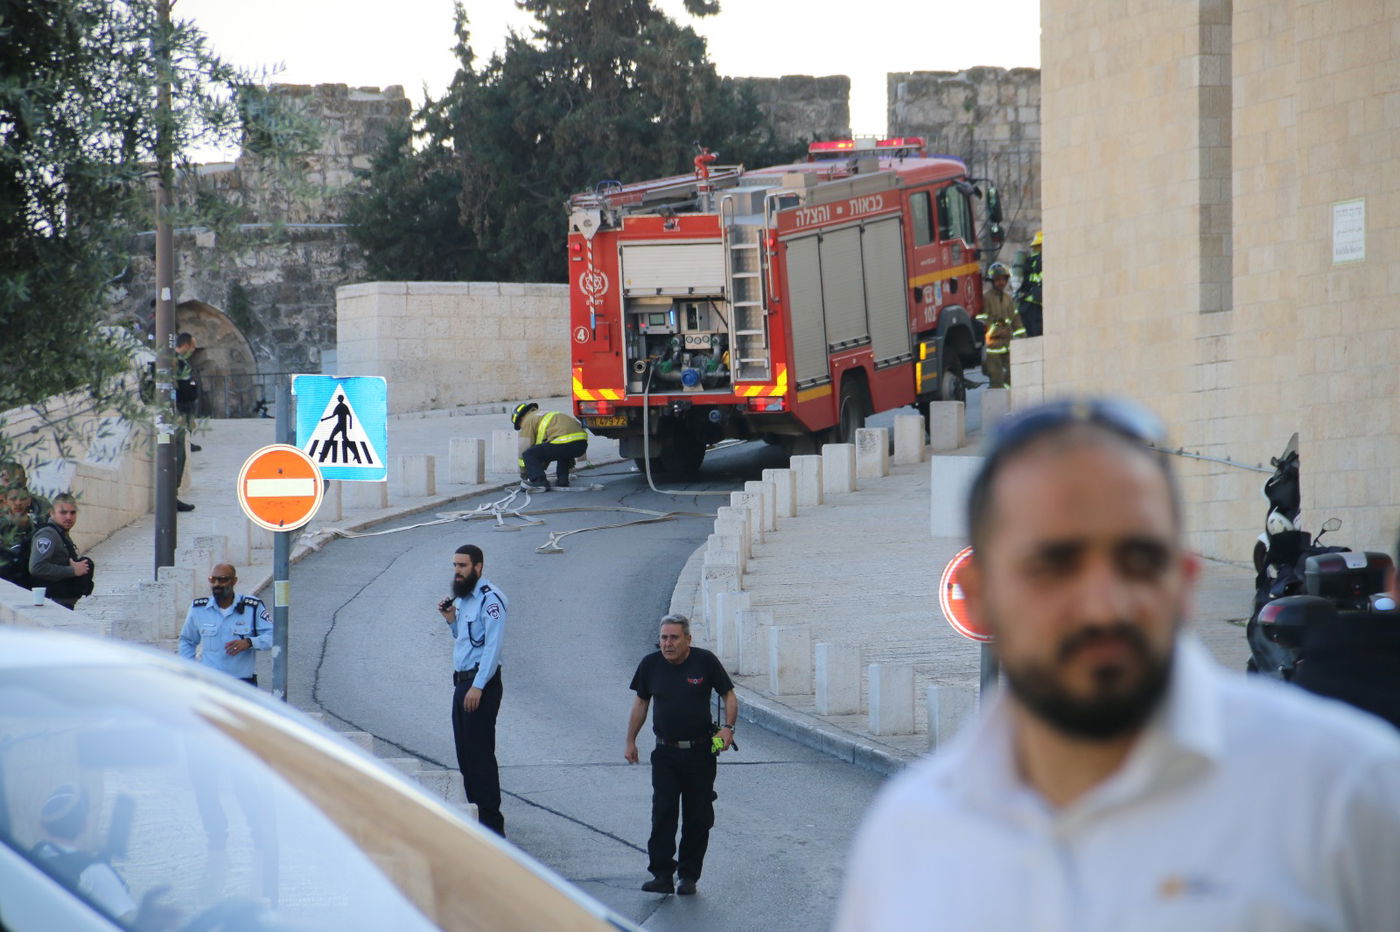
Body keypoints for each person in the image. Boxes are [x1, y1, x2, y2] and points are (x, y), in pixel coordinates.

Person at [835, 398, 1400, 931]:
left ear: (1184, 581)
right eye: (1055, 564)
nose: (1104, 604)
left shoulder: (1347, 792)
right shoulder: (911, 835)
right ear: (977, 594)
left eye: (1138, 560)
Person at [625, 614, 736, 896]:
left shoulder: (705, 661)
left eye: (674, 637)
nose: (668, 643)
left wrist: (728, 729)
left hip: (701, 751)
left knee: (697, 816)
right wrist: (631, 741)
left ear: (688, 639)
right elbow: (641, 703)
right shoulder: (650, 665)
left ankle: (688, 876)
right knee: (663, 813)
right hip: (665, 752)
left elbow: (729, 694)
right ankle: (662, 874)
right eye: (664, 638)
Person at [439, 544, 508, 836]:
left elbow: (492, 648)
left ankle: (492, 827)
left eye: (463, 566)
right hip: (463, 682)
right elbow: (466, 639)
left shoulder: (491, 600)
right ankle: (475, 817)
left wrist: (478, 687)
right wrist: (451, 619)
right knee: (465, 754)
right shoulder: (465, 599)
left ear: (478, 567)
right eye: (455, 565)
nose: (457, 571)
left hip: (480, 685)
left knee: (480, 756)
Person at [177, 564, 272, 686]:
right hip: (209, 681)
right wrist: (191, 670)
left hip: (242, 683)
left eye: (222, 580)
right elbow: (187, 640)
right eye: (213, 579)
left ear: (234, 581)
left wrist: (249, 642)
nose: (217, 584)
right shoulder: (199, 609)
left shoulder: (252, 607)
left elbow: (273, 637)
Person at [28, 493, 94, 609]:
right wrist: (72, 571)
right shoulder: (47, 535)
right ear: (52, 513)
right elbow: (37, 567)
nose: (69, 517)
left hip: (61, 603)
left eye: (72, 513)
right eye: (63, 513)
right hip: (51, 604)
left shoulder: (60, 533)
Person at [512, 402, 588, 491]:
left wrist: (525, 474)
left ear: (520, 419)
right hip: (581, 445)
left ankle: (540, 482)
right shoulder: (545, 413)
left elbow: (525, 448)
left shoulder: (528, 420)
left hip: (564, 443)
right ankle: (562, 479)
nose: (522, 427)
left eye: (520, 425)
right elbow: (545, 449)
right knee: (562, 450)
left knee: (528, 454)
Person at [977, 262, 1027, 389]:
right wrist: (998, 331)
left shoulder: (1008, 299)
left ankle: (1010, 403)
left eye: (1003, 280)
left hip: (1007, 346)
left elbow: (1015, 319)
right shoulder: (986, 298)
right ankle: (998, 406)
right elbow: (982, 321)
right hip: (992, 348)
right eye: (998, 280)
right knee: (996, 379)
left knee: (1012, 377)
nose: (1001, 283)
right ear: (992, 281)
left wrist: (1022, 337)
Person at [173, 332, 199, 511]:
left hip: (180, 412)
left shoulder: (179, 361)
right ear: (187, 344)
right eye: (193, 346)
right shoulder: (174, 361)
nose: (194, 350)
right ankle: (171, 496)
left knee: (180, 450)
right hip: (176, 413)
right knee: (176, 453)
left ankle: (172, 495)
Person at [0, 486, 40, 587]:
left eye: (23, 498)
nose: (18, 503)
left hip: (30, 588)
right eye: (13, 499)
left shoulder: (38, 528)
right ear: (5, 501)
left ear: (29, 500)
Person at [1016, 229, 1043, 337]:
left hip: (1024, 305)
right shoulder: (1042, 260)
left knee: (1031, 337)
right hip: (1035, 305)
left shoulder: (1028, 261)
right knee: (1038, 337)